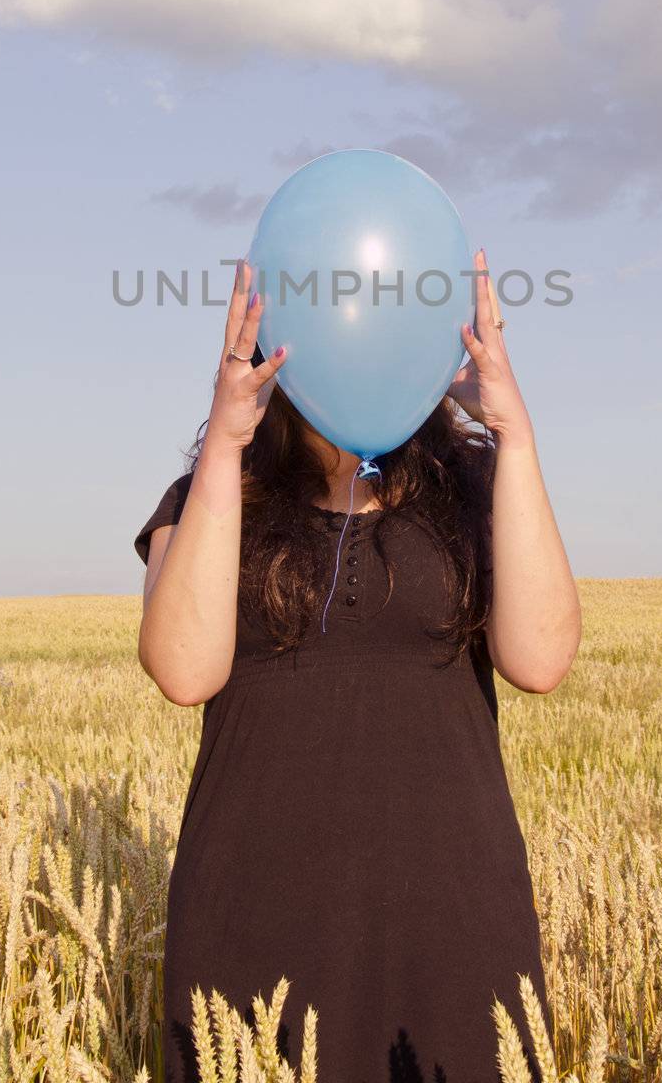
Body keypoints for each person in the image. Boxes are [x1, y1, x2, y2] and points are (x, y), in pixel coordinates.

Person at [134, 248, 581, 1083]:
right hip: (254, 919)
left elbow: (543, 658)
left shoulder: (476, 484)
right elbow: (182, 671)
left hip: (451, 923)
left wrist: (514, 437)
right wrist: (227, 447)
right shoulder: (208, 495)